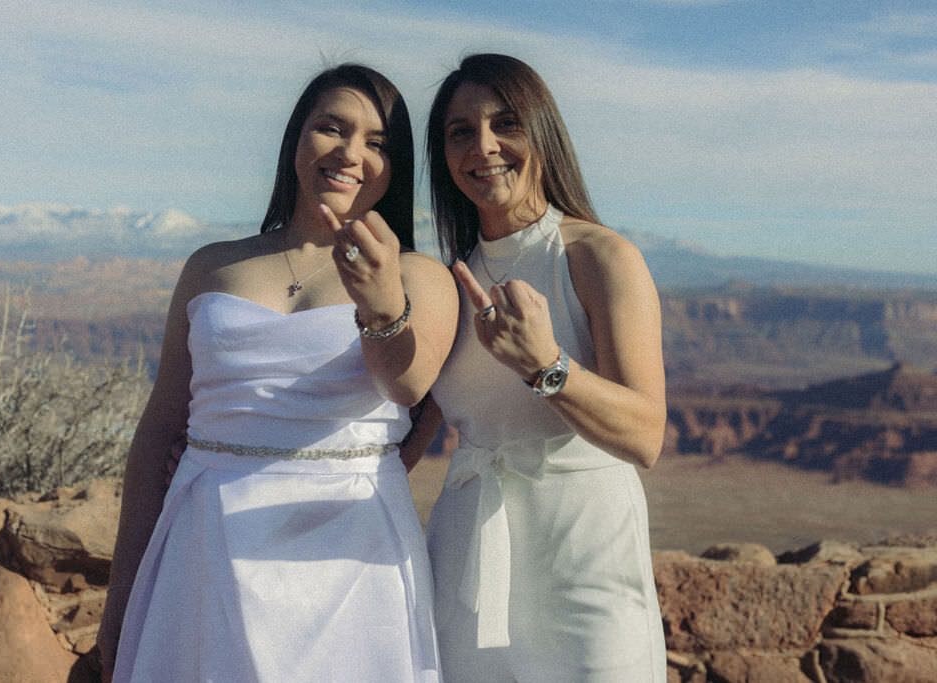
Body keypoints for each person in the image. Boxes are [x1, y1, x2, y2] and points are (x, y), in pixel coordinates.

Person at [97, 63, 458, 682]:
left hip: (351, 550)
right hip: (206, 542)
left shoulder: (420, 277)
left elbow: (407, 387)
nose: (350, 154)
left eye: (377, 143)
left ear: (395, 168)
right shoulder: (210, 266)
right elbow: (159, 429)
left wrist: (379, 302)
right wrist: (122, 592)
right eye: (331, 128)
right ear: (297, 139)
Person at [407, 53, 668, 681]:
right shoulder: (450, 282)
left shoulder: (599, 257)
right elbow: (409, 436)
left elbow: (646, 434)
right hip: (468, 559)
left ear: (542, 132)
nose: (485, 146)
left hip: (585, 558)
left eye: (506, 123)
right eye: (460, 131)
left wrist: (547, 365)